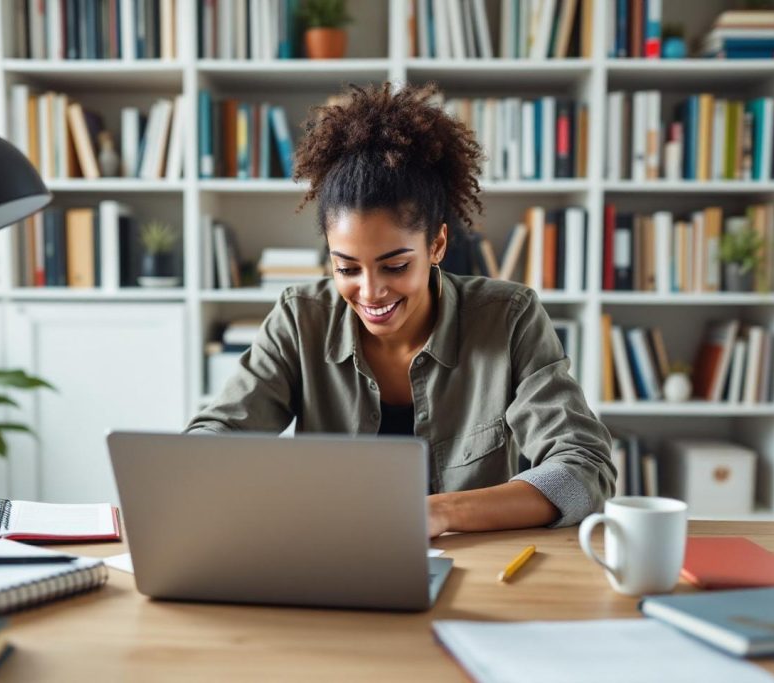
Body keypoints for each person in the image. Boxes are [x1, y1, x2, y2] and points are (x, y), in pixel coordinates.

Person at [186, 83, 614, 536]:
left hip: (477, 571)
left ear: (437, 244)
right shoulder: (300, 318)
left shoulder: (508, 316)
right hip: (329, 558)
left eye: (394, 265)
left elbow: (583, 468)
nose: (370, 292)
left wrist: (438, 512)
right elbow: (212, 441)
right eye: (347, 268)